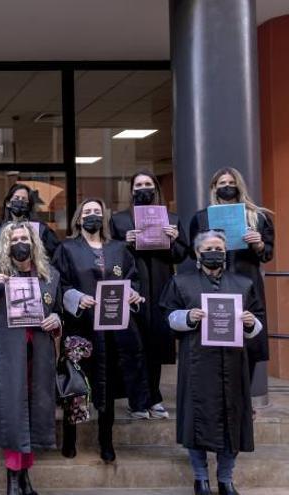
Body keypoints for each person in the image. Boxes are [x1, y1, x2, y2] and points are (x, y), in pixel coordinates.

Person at [160, 230, 264, 495]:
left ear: (226, 251)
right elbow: (169, 318)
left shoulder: (243, 284)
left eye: (219, 247)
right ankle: (201, 479)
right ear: (197, 253)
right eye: (208, 248)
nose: (214, 252)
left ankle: (226, 479)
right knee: (196, 419)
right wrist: (188, 317)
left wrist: (252, 324)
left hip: (233, 363)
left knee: (233, 420)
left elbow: (258, 323)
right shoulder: (181, 283)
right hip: (197, 363)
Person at [52, 198, 148, 463]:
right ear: (79, 219)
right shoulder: (67, 249)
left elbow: (134, 279)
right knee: (77, 382)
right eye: (87, 212)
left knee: (108, 385)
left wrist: (133, 295)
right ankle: (70, 437)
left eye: (97, 212)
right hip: (81, 327)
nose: (92, 215)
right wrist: (75, 298)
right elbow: (58, 283)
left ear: (103, 218)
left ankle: (106, 440)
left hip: (114, 329)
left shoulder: (119, 249)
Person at [0, 222, 62, 495]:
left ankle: (25, 476)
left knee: (33, 413)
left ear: (33, 243)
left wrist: (56, 319)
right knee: (13, 414)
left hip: (39, 354)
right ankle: (13, 478)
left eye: (24, 238)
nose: (19, 243)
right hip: (8, 355)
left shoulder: (49, 276)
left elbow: (58, 313)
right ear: (5, 245)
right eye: (13, 239)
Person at [109, 171, 188, 420]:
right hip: (133, 288)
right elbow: (109, 254)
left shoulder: (171, 219)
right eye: (138, 185)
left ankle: (154, 397)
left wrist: (173, 240)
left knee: (156, 344)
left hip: (161, 287)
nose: (143, 188)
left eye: (148, 184)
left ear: (155, 188)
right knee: (134, 345)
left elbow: (180, 255)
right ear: (131, 190)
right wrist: (125, 241)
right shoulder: (120, 220)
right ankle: (137, 399)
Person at [188, 167, 274, 374]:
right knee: (214, 335)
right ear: (214, 188)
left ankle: (245, 401)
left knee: (248, 336)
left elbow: (268, 254)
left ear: (239, 186)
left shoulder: (258, 217)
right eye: (222, 183)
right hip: (212, 283)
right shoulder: (202, 218)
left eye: (231, 183)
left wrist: (259, 244)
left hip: (247, 281)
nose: (227, 187)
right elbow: (192, 253)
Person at [0, 184, 60, 257]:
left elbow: (55, 253)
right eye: (16, 198)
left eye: (24, 200)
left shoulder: (41, 230)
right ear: (8, 203)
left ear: (28, 205)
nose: (20, 202)